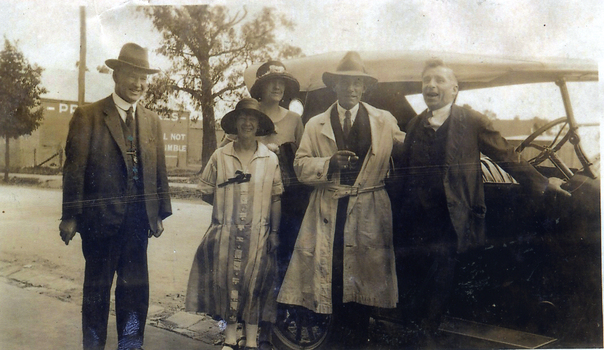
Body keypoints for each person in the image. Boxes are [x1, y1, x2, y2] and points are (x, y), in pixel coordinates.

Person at [393, 58, 570, 344]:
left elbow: (506, 156)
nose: (431, 86)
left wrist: (543, 183)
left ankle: (423, 338)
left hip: (453, 219)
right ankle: (418, 333)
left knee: (438, 285)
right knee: (417, 285)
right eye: (426, 81)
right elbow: (404, 173)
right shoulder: (415, 124)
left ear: (454, 89)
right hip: (416, 221)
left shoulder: (471, 121)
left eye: (439, 80)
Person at [277, 51, 405, 347]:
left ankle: (358, 341)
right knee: (332, 278)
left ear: (363, 87)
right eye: (344, 83)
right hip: (329, 208)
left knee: (362, 283)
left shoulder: (383, 120)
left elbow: (408, 145)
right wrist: (329, 164)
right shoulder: (315, 124)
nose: (350, 89)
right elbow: (300, 166)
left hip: (368, 207)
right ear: (334, 86)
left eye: (356, 83)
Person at [59, 43, 172, 350]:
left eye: (143, 78)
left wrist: (160, 211)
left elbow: (158, 168)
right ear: (117, 75)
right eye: (132, 75)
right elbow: (74, 169)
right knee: (96, 293)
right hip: (100, 222)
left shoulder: (152, 121)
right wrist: (70, 216)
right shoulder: (89, 116)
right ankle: (93, 345)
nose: (138, 84)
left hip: (138, 224)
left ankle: (130, 345)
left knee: (135, 292)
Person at [185, 98, 283, 350]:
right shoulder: (221, 155)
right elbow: (206, 190)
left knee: (253, 284)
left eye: (253, 119)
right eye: (243, 118)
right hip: (226, 233)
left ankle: (250, 340)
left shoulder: (269, 158)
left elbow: (275, 198)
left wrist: (274, 232)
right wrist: (224, 211)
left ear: (259, 124)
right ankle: (229, 338)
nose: (247, 123)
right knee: (227, 283)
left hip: (258, 234)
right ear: (235, 122)